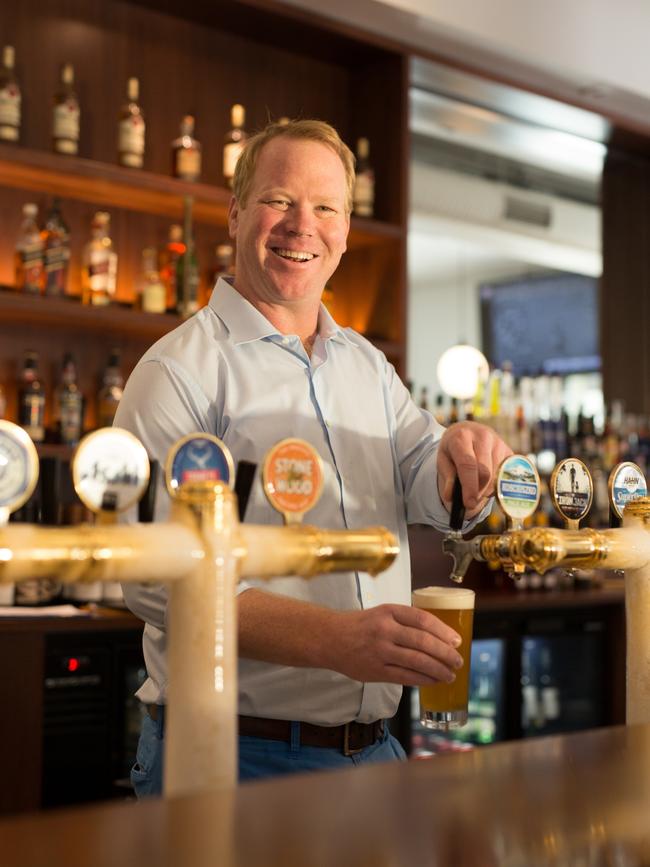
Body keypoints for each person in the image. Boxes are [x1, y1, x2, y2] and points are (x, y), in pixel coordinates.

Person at [116, 118, 511, 796]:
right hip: (231, 758)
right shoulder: (181, 371)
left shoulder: (366, 366)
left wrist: (463, 454)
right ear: (236, 212)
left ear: (346, 230)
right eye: (280, 200)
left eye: (325, 207)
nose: (303, 225)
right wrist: (335, 639)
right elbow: (156, 578)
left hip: (376, 754)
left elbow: (433, 486)